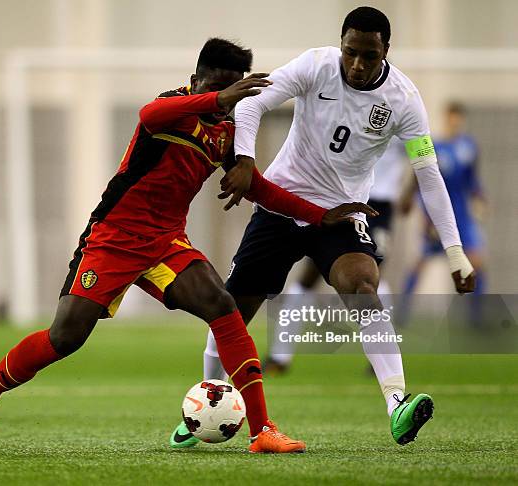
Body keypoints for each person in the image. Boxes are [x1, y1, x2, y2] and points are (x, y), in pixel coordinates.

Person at [0, 38, 374, 455]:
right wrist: (217, 98)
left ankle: (262, 430)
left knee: (223, 307)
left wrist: (320, 215)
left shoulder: (225, 133)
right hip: (113, 239)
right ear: (195, 80)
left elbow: (257, 186)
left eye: (234, 91)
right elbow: (148, 113)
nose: (226, 100)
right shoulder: (170, 108)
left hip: (166, 242)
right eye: (217, 88)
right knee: (65, 337)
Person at [170, 7, 476, 449]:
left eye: (368, 56)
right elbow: (254, 102)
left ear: (385, 51)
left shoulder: (404, 100)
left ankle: (397, 404)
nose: (356, 64)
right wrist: (245, 160)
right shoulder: (316, 65)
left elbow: (429, 174)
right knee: (231, 310)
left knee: (362, 284)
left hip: (340, 214)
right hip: (281, 204)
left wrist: (454, 252)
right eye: (350, 52)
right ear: (341, 44)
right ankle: (205, 404)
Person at [264, 138, 407, 374]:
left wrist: (410, 192)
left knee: (373, 276)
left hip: (381, 205)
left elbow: (423, 158)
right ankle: (280, 356)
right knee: (310, 275)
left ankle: (382, 358)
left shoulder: (405, 108)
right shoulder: (353, 106)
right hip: (346, 199)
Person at [401, 102, 486, 297]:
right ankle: (400, 314)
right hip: (436, 215)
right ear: (446, 119)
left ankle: (478, 319)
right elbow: (418, 178)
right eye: (451, 119)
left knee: (477, 262)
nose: (454, 123)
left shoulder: (469, 146)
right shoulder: (430, 145)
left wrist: (480, 197)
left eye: (458, 120)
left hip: (462, 216)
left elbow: (472, 179)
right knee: (419, 264)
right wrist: (411, 202)